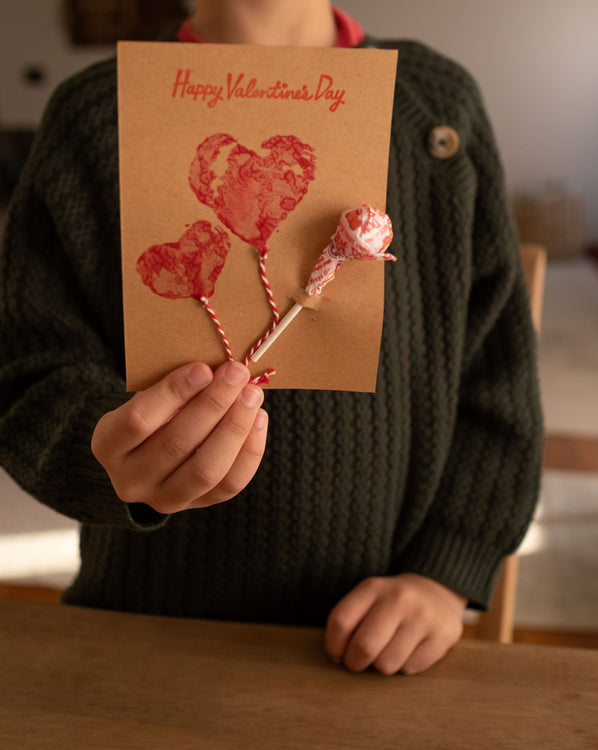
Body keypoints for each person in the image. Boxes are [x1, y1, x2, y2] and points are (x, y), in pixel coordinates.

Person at [0, 0, 543, 676]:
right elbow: (31, 367)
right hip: (141, 634)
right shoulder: (93, 115)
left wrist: (444, 573)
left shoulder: (437, 107)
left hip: (374, 648)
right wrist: (100, 445)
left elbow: (497, 378)